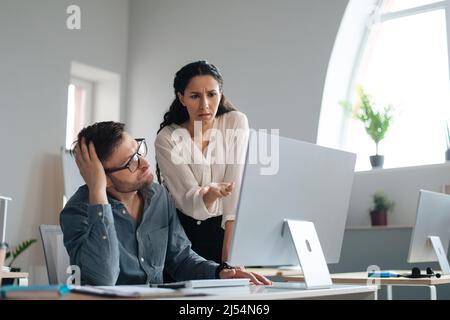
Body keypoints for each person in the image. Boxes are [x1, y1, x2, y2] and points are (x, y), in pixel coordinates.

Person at [60, 121, 270, 286]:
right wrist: (97, 191)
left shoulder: (158, 195)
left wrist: (220, 272)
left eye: (139, 150)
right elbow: (103, 279)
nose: (144, 163)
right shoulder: (78, 211)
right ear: (102, 176)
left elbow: (181, 259)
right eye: (131, 162)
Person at [155, 61, 249, 264]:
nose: (205, 105)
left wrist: (229, 252)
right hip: (185, 236)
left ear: (221, 93)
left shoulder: (235, 122)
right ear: (181, 98)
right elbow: (187, 201)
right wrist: (209, 194)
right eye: (195, 96)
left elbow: (236, 187)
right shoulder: (168, 138)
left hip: (227, 230)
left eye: (211, 94)